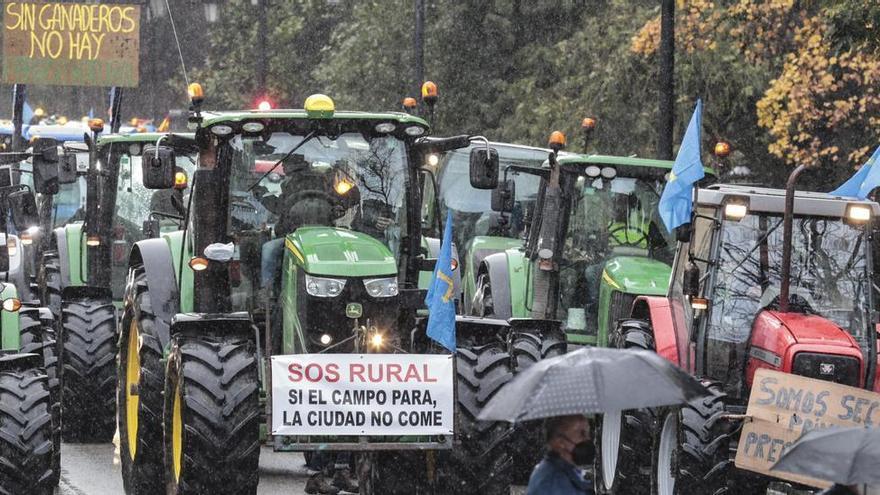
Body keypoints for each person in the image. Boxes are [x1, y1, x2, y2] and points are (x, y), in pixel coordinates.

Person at [526, 414, 595, 495]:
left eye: (588, 433)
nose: (588, 439)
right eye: (582, 433)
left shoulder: (569, 472)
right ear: (560, 442)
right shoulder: (552, 480)